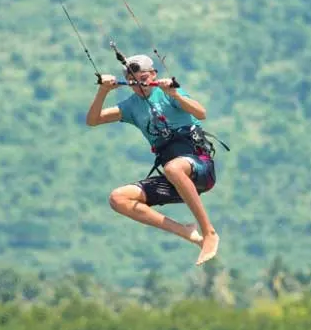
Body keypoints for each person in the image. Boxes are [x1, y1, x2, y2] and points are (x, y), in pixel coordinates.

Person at [85, 54, 220, 265]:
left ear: (154, 75)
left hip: (200, 167)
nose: (140, 86)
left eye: (145, 78)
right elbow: (93, 120)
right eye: (134, 82)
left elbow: (201, 113)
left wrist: (175, 94)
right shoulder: (130, 107)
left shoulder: (168, 94)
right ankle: (186, 231)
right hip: (174, 178)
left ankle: (209, 233)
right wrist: (103, 91)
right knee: (118, 198)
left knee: (173, 168)